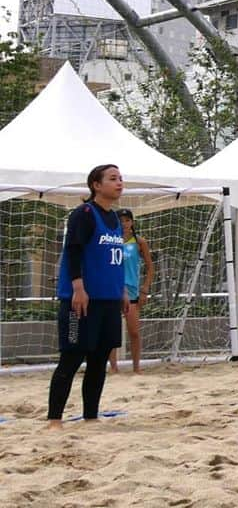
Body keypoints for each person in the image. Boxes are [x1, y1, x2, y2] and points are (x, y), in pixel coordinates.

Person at [47, 164, 128, 428]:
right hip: (81, 301)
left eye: (121, 178)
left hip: (109, 300)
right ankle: (54, 419)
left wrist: (123, 290)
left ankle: (90, 416)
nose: (119, 183)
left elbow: (115, 260)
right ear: (96, 184)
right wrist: (78, 288)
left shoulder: (116, 218)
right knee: (71, 358)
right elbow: (72, 252)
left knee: (99, 360)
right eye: (113, 178)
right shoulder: (83, 214)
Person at [109, 209, 154, 374]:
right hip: (113, 290)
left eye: (127, 220)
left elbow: (150, 267)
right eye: (121, 220)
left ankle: (136, 367)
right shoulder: (110, 241)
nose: (124, 223)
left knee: (134, 332)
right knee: (112, 333)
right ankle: (113, 367)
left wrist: (145, 288)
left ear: (132, 222)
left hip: (132, 290)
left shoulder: (139, 241)